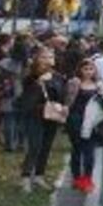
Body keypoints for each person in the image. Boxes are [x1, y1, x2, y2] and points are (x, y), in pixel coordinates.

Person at [17, 46, 65, 192]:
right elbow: (26, 100)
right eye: (44, 57)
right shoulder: (30, 77)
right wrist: (38, 83)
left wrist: (62, 107)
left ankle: (39, 176)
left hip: (51, 117)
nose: (48, 60)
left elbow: (60, 96)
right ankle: (25, 177)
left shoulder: (57, 76)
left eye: (51, 57)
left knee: (46, 147)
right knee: (35, 146)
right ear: (37, 59)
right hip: (34, 116)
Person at [64, 58, 103, 193]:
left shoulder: (99, 84)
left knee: (89, 152)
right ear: (80, 70)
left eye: (91, 69)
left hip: (92, 122)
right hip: (75, 120)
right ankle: (76, 179)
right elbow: (68, 101)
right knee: (76, 150)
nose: (88, 72)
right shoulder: (74, 82)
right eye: (85, 69)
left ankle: (87, 179)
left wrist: (102, 92)